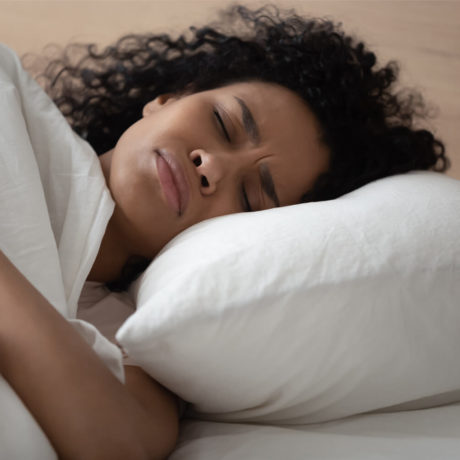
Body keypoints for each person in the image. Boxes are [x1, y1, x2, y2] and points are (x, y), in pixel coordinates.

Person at [0, 4, 450, 459]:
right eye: (223, 124)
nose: (210, 166)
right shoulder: (10, 100)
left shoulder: (136, 339)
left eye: (252, 196)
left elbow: (120, 447)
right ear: (169, 97)